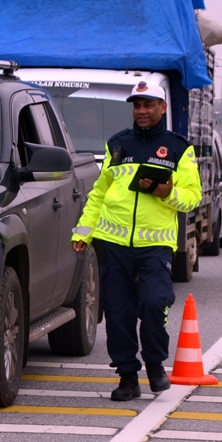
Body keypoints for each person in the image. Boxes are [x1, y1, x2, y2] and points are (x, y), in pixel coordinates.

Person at [70, 80, 202, 401]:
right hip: (113, 242)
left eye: (148, 105)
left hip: (156, 243)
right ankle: (128, 376)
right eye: (137, 105)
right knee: (117, 311)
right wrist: (83, 231)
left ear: (162, 107)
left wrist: (167, 192)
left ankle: (155, 364)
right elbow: (99, 193)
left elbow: (192, 197)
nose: (141, 111)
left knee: (155, 303)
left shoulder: (178, 147)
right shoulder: (117, 144)